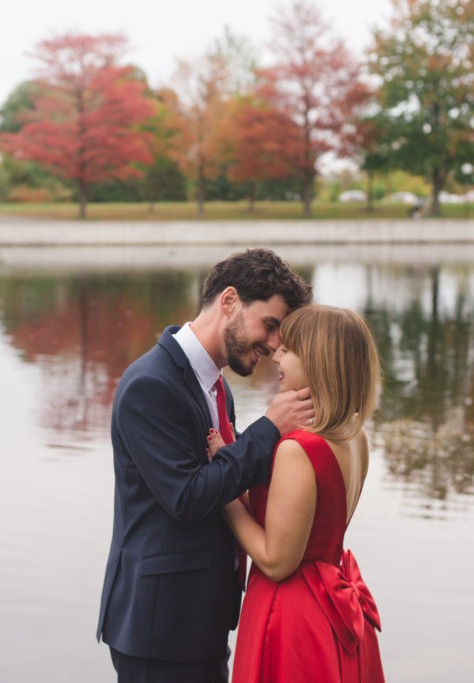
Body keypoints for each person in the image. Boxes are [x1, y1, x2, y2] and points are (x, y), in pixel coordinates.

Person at [97, 248, 314, 683]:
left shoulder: (217, 388)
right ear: (229, 301)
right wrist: (269, 429)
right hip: (159, 629)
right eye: (270, 326)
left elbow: (223, 478)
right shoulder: (151, 385)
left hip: (199, 620)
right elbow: (187, 496)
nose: (274, 346)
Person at [207, 304, 384, 682]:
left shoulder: (298, 449)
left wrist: (223, 494)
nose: (277, 357)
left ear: (318, 361)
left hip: (291, 615)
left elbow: (275, 559)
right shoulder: (356, 435)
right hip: (333, 607)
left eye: (289, 350)